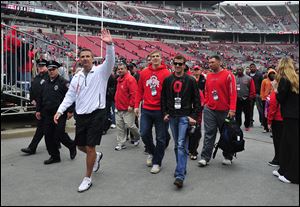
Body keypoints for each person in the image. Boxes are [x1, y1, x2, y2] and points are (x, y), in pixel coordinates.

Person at [54, 29, 115, 192]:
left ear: (93, 59)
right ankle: (97, 156)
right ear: (79, 60)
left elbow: (111, 60)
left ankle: (87, 178)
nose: (85, 58)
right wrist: (60, 110)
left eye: (88, 56)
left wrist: (109, 45)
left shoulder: (102, 71)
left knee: (89, 147)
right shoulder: (77, 76)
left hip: (97, 114)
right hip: (81, 115)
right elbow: (70, 95)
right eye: (83, 57)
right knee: (80, 145)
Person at [161, 54, 201, 188]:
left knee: (181, 144)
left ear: (184, 65)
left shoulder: (190, 80)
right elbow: (164, 98)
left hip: (184, 116)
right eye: (175, 63)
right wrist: (165, 113)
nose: (177, 66)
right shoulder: (168, 80)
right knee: (178, 145)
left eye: (180, 64)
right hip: (172, 116)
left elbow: (197, 100)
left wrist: (193, 117)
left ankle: (179, 175)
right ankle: (181, 167)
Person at [134, 50, 171, 174]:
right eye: (153, 56)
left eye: (157, 56)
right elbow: (139, 90)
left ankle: (157, 162)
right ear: (149, 58)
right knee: (144, 133)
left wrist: (168, 111)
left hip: (161, 110)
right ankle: (151, 151)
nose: (155, 58)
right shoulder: (144, 73)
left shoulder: (166, 73)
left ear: (161, 58)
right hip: (147, 109)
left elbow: (169, 93)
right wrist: (136, 105)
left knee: (161, 138)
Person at [198, 55, 237, 167]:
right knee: (209, 133)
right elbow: (206, 91)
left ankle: (228, 156)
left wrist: (232, 109)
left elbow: (233, 93)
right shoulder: (208, 76)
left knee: (226, 134)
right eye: (209, 62)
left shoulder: (229, 75)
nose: (210, 64)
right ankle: (205, 157)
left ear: (219, 62)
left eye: (212, 62)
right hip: (210, 109)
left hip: (225, 110)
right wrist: (206, 103)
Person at [36, 60, 76, 165]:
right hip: (47, 113)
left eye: (53, 69)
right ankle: (54, 156)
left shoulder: (64, 82)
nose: (51, 71)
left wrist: (70, 111)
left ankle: (71, 145)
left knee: (59, 134)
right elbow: (40, 97)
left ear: (57, 70)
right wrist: (38, 110)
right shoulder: (44, 82)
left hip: (59, 114)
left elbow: (71, 97)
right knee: (48, 135)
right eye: (49, 70)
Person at [273, 57, 299, 184]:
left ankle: (293, 175)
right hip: (294, 115)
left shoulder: (284, 79)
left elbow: (281, 99)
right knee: (286, 143)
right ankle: (283, 169)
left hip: (290, 116)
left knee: (293, 145)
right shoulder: (295, 79)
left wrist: (275, 90)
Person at [21, 59, 49, 155]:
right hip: (39, 106)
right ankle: (33, 147)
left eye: (42, 66)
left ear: (46, 66)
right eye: (39, 66)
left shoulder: (49, 76)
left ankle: (32, 148)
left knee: (44, 128)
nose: (40, 68)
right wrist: (32, 99)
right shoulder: (37, 77)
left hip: (47, 106)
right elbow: (32, 89)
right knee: (43, 128)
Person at [114, 62, 140, 150]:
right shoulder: (118, 79)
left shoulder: (130, 79)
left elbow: (134, 93)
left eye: (122, 69)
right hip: (118, 107)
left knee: (130, 125)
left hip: (128, 108)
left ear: (126, 69)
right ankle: (121, 143)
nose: (120, 70)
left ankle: (137, 136)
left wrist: (131, 105)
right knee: (120, 127)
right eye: (119, 69)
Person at [188, 65, 205, 160]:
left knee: (195, 132)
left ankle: (193, 151)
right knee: (187, 132)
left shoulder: (201, 87)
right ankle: (189, 149)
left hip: (197, 113)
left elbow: (202, 102)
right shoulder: (187, 84)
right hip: (186, 111)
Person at [267, 83, 283, 167]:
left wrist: (269, 121)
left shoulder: (275, 92)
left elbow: (272, 107)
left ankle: (277, 159)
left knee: (277, 141)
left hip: (277, 119)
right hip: (284, 119)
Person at [235, 67, 256, 131]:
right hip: (237, 98)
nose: (239, 71)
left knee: (247, 113)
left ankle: (247, 125)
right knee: (237, 113)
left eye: (240, 70)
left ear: (243, 70)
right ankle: (238, 125)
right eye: (238, 70)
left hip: (246, 98)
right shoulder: (234, 78)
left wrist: (250, 97)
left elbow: (252, 89)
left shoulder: (248, 78)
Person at [260, 68, 276, 133]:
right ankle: (265, 127)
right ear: (268, 74)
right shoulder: (264, 81)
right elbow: (262, 90)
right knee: (265, 114)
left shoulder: (276, 81)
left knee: (272, 113)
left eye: (273, 74)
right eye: (270, 74)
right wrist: (263, 97)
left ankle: (272, 127)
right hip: (265, 100)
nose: (272, 75)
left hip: (273, 99)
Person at [249, 63, 264, 127]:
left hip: (258, 94)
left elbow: (262, 85)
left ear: (255, 67)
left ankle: (262, 121)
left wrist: (261, 93)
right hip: (251, 94)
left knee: (260, 109)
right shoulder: (248, 75)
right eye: (251, 67)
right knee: (250, 109)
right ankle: (250, 121)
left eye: (253, 67)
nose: (252, 68)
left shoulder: (259, 75)